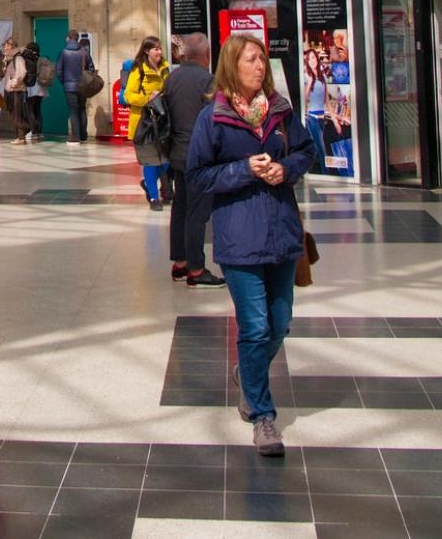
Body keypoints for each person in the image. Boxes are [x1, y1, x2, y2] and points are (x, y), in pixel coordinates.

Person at [186, 33, 316, 459]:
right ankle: (262, 414)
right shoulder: (214, 118)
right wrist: (244, 169)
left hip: (281, 233)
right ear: (231, 66)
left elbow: (305, 151)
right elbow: (199, 177)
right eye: (250, 60)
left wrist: (286, 168)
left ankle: (249, 372)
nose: (259, 66)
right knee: (255, 326)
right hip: (239, 237)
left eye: (262, 59)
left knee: (280, 324)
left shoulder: (280, 112)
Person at [165, 33, 225, 288]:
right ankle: (197, 269)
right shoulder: (207, 81)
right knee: (197, 214)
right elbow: (215, 119)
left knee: (180, 208)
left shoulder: (171, 78)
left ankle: (180, 263)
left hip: (176, 152)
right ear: (207, 55)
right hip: (198, 155)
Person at [124, 36, 171, 208]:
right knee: (150, 161)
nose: (159, 52)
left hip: (162, 121)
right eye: (156, 49)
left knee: (166, 161)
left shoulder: (165, 68)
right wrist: (148, 98)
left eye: (160, 48)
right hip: (144, 123)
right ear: (146, 51)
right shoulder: (138, 70)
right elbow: (128, 95)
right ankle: (153, 197)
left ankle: (148, 183)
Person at [58, 30, 89, 144]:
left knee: (73, 110)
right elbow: (91, 68)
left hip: (69, 86)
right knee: (82, 109)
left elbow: (59, 70)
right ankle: (83, 136)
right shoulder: (84, 52)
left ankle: (75, 137)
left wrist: (64, 82)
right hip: (83, 86)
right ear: (77, 38)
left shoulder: (64, 52)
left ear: (68, 38)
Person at [0, 38, 30, 144]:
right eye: (5, 46)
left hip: (17, 91)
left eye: (8, 46)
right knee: (13, 113)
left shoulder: (18, 58)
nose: (5, 48)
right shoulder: (8, 59)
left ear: (13, 47)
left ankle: (22, 136)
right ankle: (20, 136)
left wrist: (14, 83)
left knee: (18, 114)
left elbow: (22, 72)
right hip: (10, 90)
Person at [22, 41, 46, 143]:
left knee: (30, 109)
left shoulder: (28, 58)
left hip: (31, 87)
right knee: (37, 110)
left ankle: (32, 131)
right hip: (40, 88)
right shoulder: (40, 59)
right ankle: (39, 132)